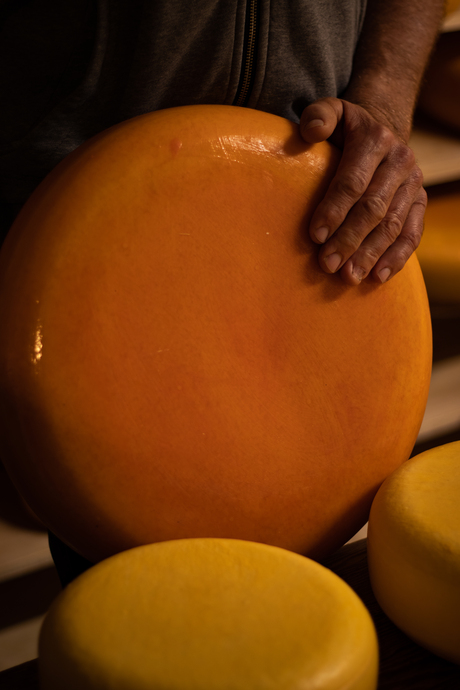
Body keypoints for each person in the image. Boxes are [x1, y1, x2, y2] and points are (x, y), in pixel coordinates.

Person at [0, 0, 445, 583]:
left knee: (303, 542)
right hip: (70, 211)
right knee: (127, 573)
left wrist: (384, 95)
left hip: (316, 200)